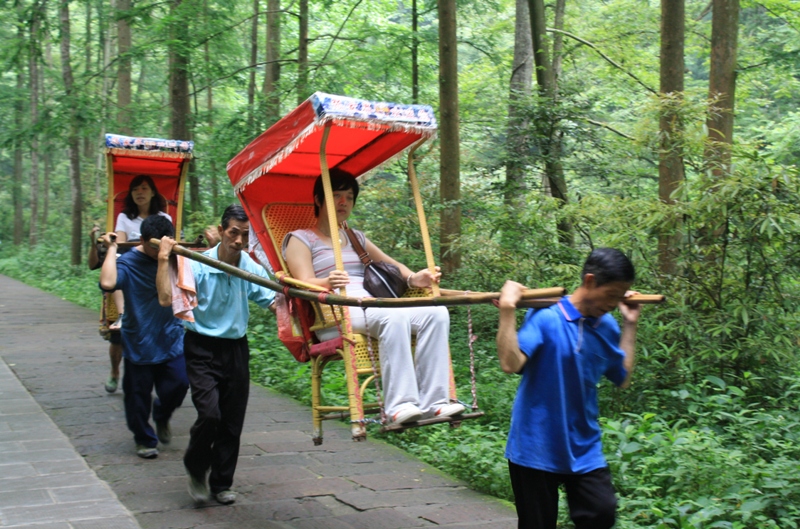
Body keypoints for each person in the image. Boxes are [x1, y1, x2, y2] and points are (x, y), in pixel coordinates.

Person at [282, 170, 465, 425]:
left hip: (372, 306)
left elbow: (392, 265)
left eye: (349, 196)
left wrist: (414, 278)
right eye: (336, 195)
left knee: (435, 314)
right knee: (394, 314)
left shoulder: (355, 238)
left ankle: (436, 402)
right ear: (318, 199)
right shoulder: (300, 239)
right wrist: (326, 282)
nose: (344, 202)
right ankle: (399, 405)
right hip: (335, 311)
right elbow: (302, 282)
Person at [495, 248, 642, 529]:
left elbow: (621, 377)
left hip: (584, 446)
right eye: (611, 294)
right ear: (589, 281)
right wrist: (507, 310)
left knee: (601, 512)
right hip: (535, 445)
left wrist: (630, 325)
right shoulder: (547, 317)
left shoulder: (607, 326)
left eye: (619, 297)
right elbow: (510, 363)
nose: (614, 303)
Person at [157, 204, 275, 506]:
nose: (238, 241)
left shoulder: (248, 265)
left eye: (244, 235)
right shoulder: (197, 264)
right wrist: (164, 259)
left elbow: (272, 299)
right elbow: (170, 298)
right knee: (209, 414)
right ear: (222, 231)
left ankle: (222, 483)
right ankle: (196, 470)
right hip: (201, 347)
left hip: (236, 348)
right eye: (233, 233)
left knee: (232, 421)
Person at [98, 215, 189, 459]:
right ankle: (144, 438)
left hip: (171, 337)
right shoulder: (129, 262)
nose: (158, 250)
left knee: (179, 384)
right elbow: (108, 282)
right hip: (139, 340)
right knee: (137, 396)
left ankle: (162, 415)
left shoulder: (176, 258)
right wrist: (113, 248)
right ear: (144, 240)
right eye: (153, 245)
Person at [89, 175, 172, 393]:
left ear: (153, 192)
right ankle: (116, 368)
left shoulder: (163, 217)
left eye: (144, 188)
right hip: (132, 262)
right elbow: (123, 241)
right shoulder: (125, 217)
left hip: (156, 265)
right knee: (117, 262)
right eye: (135, 189)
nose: (140, 192)